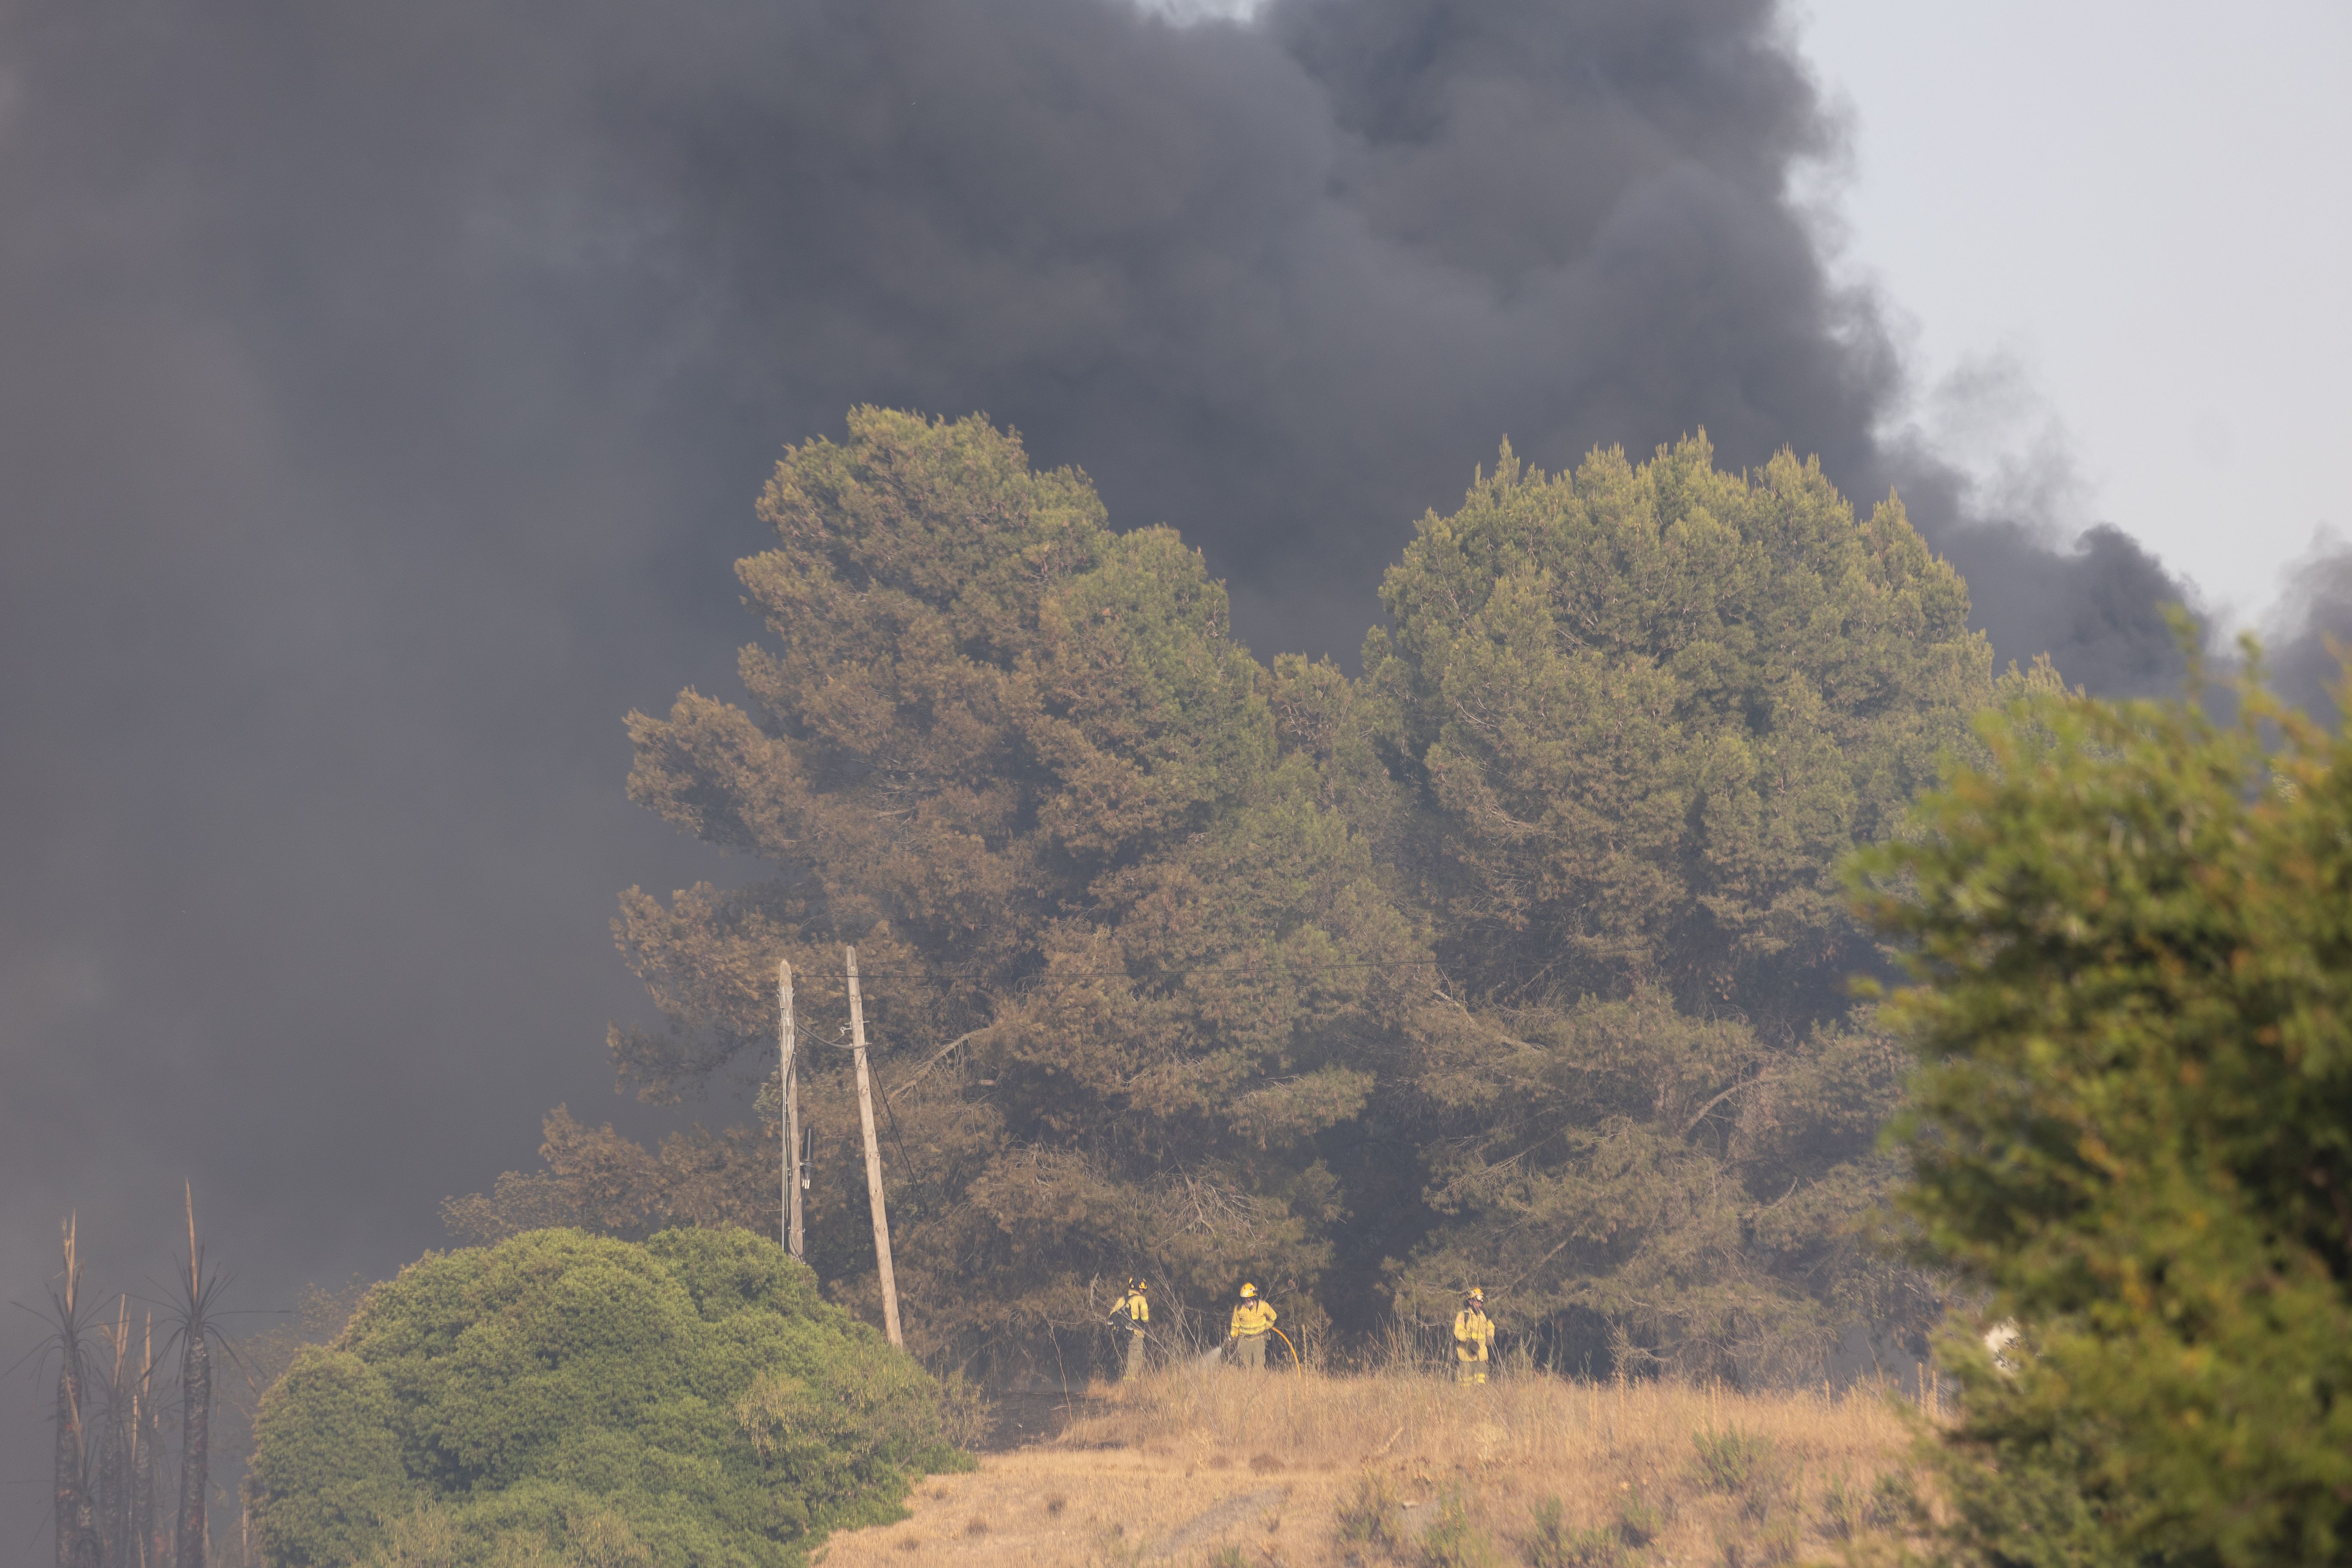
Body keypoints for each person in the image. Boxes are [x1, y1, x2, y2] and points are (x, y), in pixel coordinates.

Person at [1227, 1281, 1277, 1370]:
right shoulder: (1239, 1309)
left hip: (1258, 1339)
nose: (1247, 1301)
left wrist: (1266, 1327)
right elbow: (1235, 1325)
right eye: (1245, 1299)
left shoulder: (1263, 1306)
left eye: (1249, 1299)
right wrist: (1233, 1336)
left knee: (1259, 1367)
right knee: (1246, 1367)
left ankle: (1259, 1383)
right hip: (1244, 1340)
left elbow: (1273, 1317)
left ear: (1254, 1297)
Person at [1111, 1277, 1150, 1382]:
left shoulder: (1122, 1300)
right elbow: (1145, 1318)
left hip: (1122, 1335)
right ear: (1139, 1288)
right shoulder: (1141, 1299)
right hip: (1135, 1334)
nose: (1143, 1291)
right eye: (1143, 1289)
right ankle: (1131, 1384)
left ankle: (1127, 1380)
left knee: (1128, 1358)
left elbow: (1111, 1316)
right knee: (1136, 1359)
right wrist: (1143, 1322)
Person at [1453, 1287, 1494, 1384]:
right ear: (1470, 1301)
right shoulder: (1463, 1315)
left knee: (1482, 1382)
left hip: (1482, 1356)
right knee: (1466, 1383)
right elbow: (1458, 1331)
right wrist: (1469, 1341)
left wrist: (1490, 1337)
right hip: (1467, 1356)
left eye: (1481, 1302)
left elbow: (1491, 1328)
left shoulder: (1485, 1316)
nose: (1479, 1304)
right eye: (1477, 1302)